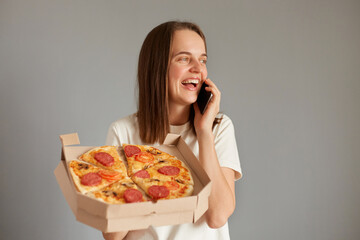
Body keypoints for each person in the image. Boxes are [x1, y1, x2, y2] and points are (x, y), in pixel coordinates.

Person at [103, 21, 242, 240]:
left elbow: (217, 216)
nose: (198, 68)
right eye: (184, 58)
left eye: (203, 60)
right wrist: (146, 178)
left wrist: (204, 132)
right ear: (158, 67)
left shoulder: (219, 127)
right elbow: (113, 235)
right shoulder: (124, 131)